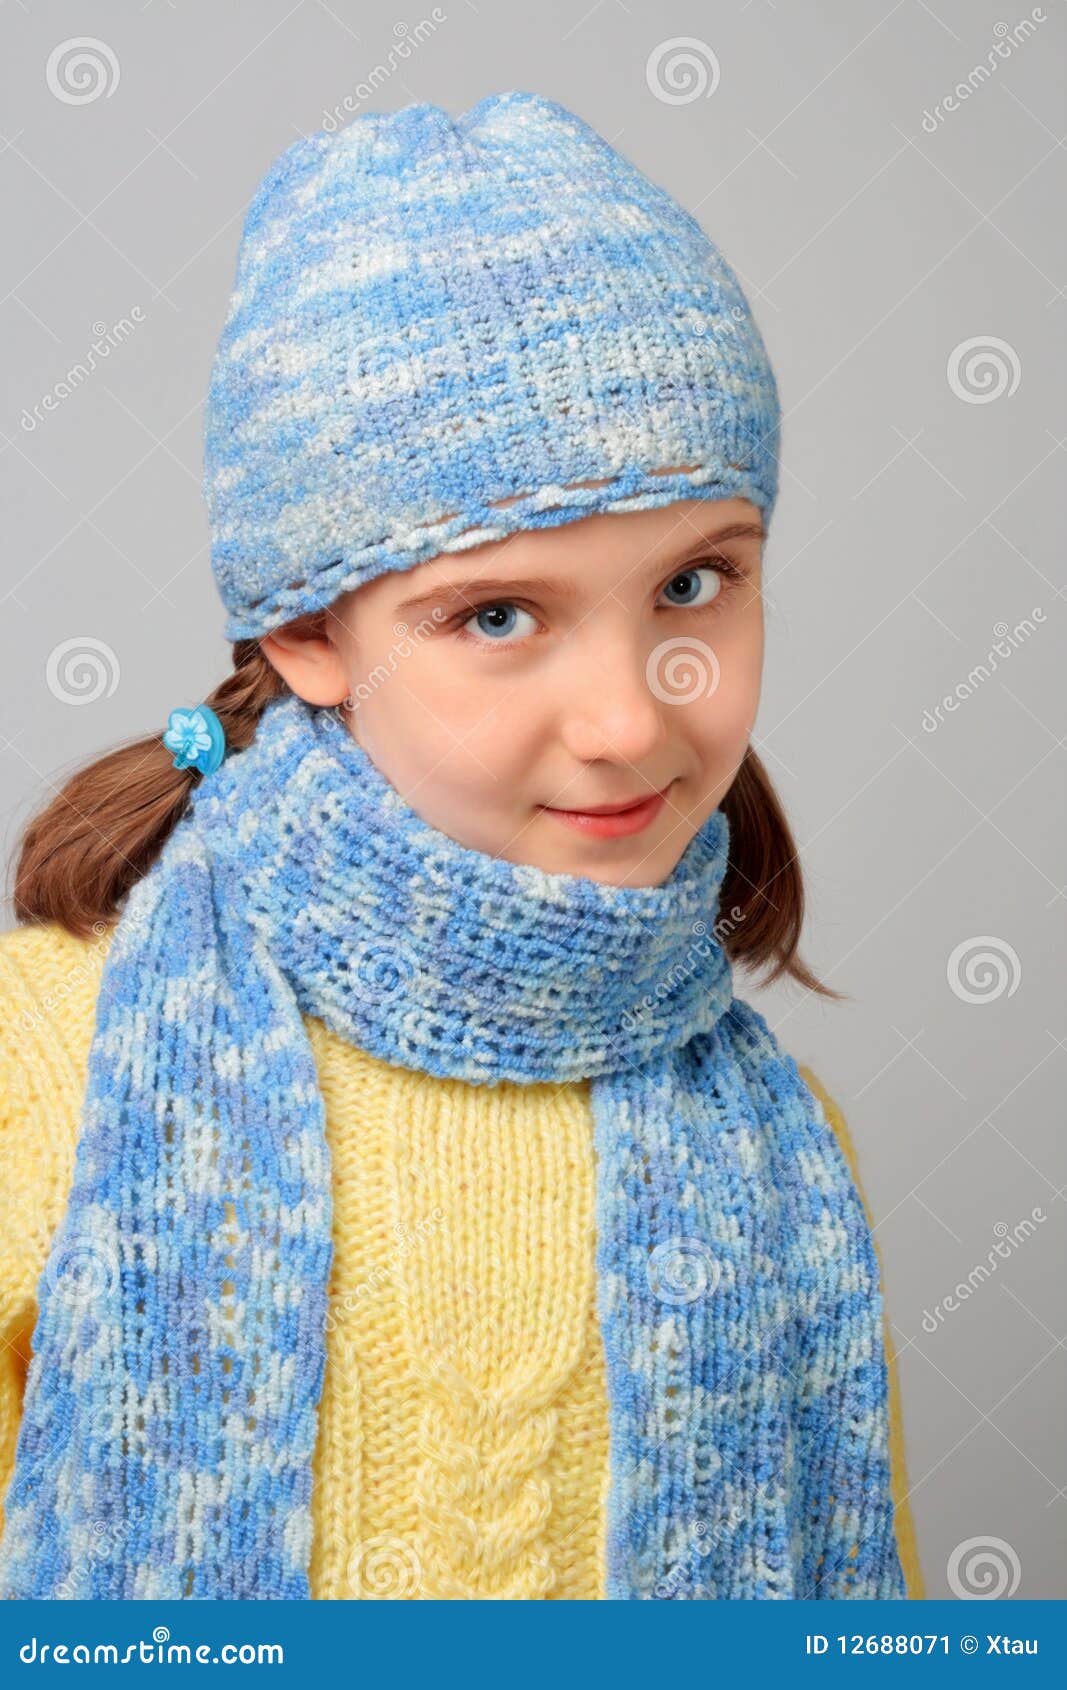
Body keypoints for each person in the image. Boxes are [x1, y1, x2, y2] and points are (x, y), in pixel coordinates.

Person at [0, 91, 923, 1601]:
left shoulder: (781, 1148)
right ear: (306, 630)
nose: (631, 717)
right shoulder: (43, 1066)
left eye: (696, 583)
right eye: (500, 615)